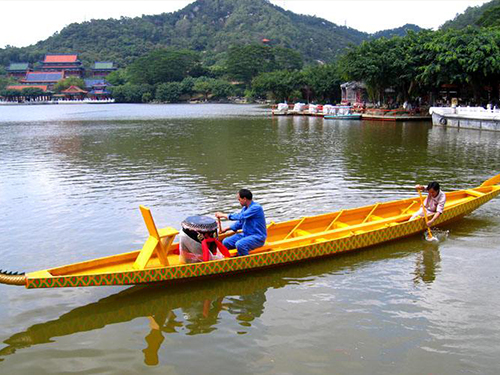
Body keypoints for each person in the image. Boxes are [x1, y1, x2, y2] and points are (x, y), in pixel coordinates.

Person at [215, 189, 267, 256]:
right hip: (246, 234)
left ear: (244, 199)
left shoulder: (256, 208)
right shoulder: (245, 209)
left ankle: (246, 262)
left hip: (257, 237)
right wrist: (226, 229)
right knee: (226, 242)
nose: (239, 201)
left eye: (239, 199)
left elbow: (241, 216)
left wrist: (223, 215)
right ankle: (230, 257)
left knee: (240, 244)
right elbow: (240, 223)